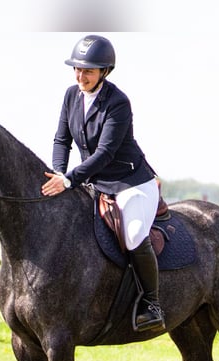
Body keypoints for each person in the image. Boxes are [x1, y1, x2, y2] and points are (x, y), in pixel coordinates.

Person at [42, 34, 165, 332]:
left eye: (88, 71)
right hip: (93, 183)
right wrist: (59, 173)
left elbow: (105, 153)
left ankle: (152, 303)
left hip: (130, 183)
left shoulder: (118, 102)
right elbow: (62, 139)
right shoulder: (71, 95)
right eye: (77, 69)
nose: (81, 76)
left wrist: (70, 180)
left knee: (134, 234)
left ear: (104, 72)